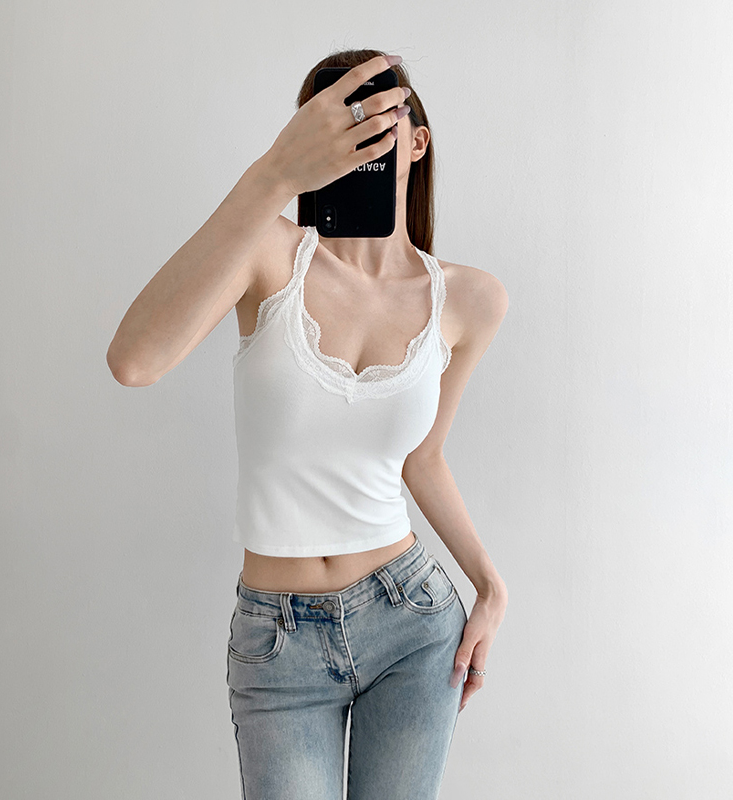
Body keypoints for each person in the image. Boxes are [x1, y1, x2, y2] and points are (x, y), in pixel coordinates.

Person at [107, 48, 509, 800]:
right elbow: (134, 361)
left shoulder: (468, 298)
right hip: (278, 640)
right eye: (335, 123)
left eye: (377, 121)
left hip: (412, 620)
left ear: (416, 141)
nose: (357, 138)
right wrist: (272, 176)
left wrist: (490, 585)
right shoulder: (268, 254)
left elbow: (423, 459)